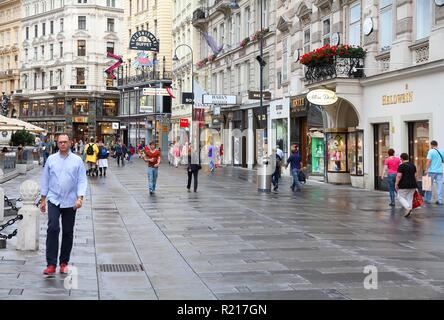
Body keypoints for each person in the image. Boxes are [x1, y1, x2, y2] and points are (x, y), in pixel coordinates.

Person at [39, 133, 87, 275]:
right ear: (57, 143)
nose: (62, 144)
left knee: (68, 232)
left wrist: (80, 198)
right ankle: (51, 263)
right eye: (60, 142)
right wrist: (43, 199)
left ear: (70, 143)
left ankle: (64, 262)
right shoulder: (51, 160)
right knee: (53, 228)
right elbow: (45, 179)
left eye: (65, 142)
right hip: (54, 199)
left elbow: (82, 180)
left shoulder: (77, 160)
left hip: (71, 201)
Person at [395, 153, 418, 218]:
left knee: (399, 196)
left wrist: (396, 183)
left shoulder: (401, 166)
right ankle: (409, 210)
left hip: (404, 184)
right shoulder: (413, 165)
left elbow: (399, 176)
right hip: (413, 184)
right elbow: (416, 175)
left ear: (401, 158)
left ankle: (408, 208)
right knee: (409, 198)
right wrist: (415, 182)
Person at [424, 140, 444, 205]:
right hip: (440, 171)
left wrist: (426, 169)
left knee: (428, 185)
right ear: (437, 145)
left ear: (432, 145)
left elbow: (428, 161)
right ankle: (440, 200)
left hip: (431, 170)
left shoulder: (431, 151)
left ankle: (427, 199)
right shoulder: (442, 151)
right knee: (440, 186)